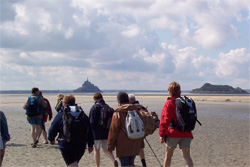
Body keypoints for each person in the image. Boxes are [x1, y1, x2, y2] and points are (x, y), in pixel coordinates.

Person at [48, 95, 94, 167]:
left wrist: (51, 139)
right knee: (73, 163)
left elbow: (53, 128)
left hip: (66, 145)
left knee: (72, 165)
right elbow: (89, 129)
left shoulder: (61, 115)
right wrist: (90, 144)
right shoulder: (82, 114)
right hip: (81, 145)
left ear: (64, 104)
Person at [159, 81, 194, 167]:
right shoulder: (185, 102)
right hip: (186, 132)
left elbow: (165, 120)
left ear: (169, 91)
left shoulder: (169, 103)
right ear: (179, 91)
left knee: (168, 156)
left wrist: (162, 134)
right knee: (187, 156)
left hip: (173, 133)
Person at [108, 92, 144, 167]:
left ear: (119, 102)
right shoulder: (136, 110)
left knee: (124, 164)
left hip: (123, 143)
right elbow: (141, 125)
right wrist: (141, 143)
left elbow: (113, 131)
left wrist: (110, 146)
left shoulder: (118, 113)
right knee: (131, 163)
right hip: (135, 140)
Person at [89, 92, 118, 167]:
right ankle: (113, 160)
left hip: (97, 133)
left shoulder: (94, 107)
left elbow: (92, 121)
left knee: (96, 150)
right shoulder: (107, 107)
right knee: (106, 150)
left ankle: (97, 166)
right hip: (106, 131)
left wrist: (90, 132)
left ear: (95, 99)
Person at [128, 94, 147, 167]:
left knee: (132, 147)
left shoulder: (131, 107)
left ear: (130, 100)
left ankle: (131, 163)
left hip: (133, 131)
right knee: (140, 147)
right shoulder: (142, 107)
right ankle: (144, 164)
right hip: (142, 131)